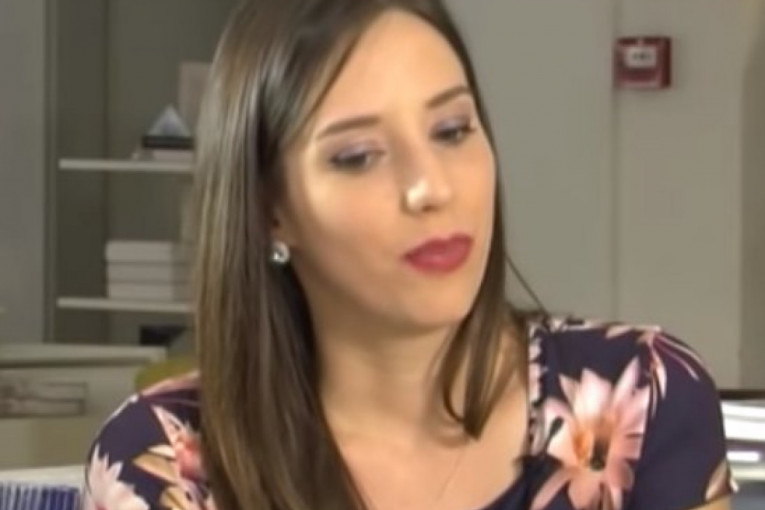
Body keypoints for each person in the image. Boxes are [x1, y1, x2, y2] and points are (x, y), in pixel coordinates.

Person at [81, 0, 737, 509]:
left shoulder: (644, 395)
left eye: (452, 130)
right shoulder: (164, 459)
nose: (431, 187)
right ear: (267, 211)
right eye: (357, 156)